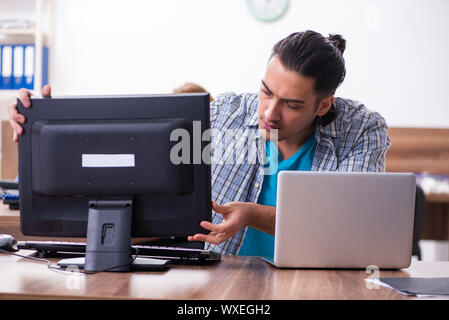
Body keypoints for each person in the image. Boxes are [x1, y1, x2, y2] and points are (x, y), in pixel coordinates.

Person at [8, 30, 390, 257]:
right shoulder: (224, 114)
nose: (270, 113)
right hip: (225, 285)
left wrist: (258, 216)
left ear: (324, 104)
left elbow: (350, 225)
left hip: (317, 285)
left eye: (291, 104)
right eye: (266, 92)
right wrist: (42, 122)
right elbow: (134, 150)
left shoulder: (361, 131)